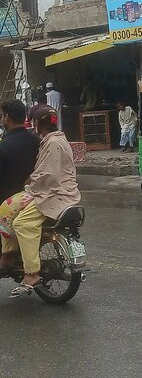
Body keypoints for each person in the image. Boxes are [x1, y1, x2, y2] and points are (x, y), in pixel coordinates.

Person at [0, 106, 81, 297]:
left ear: (36, 123)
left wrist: (30, 186)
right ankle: (8, 255)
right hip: (56, 191)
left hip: (52, 194)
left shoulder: (52, 143)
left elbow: (48, 175)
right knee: (7, 208)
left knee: (22, 223)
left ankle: (31, 273)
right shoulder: (55, 140)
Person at [0, 100, 40, 203]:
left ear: (7, 117)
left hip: (7, 206)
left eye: (2, 116)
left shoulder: (3, 146)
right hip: (35, 202)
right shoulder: (39, 142)